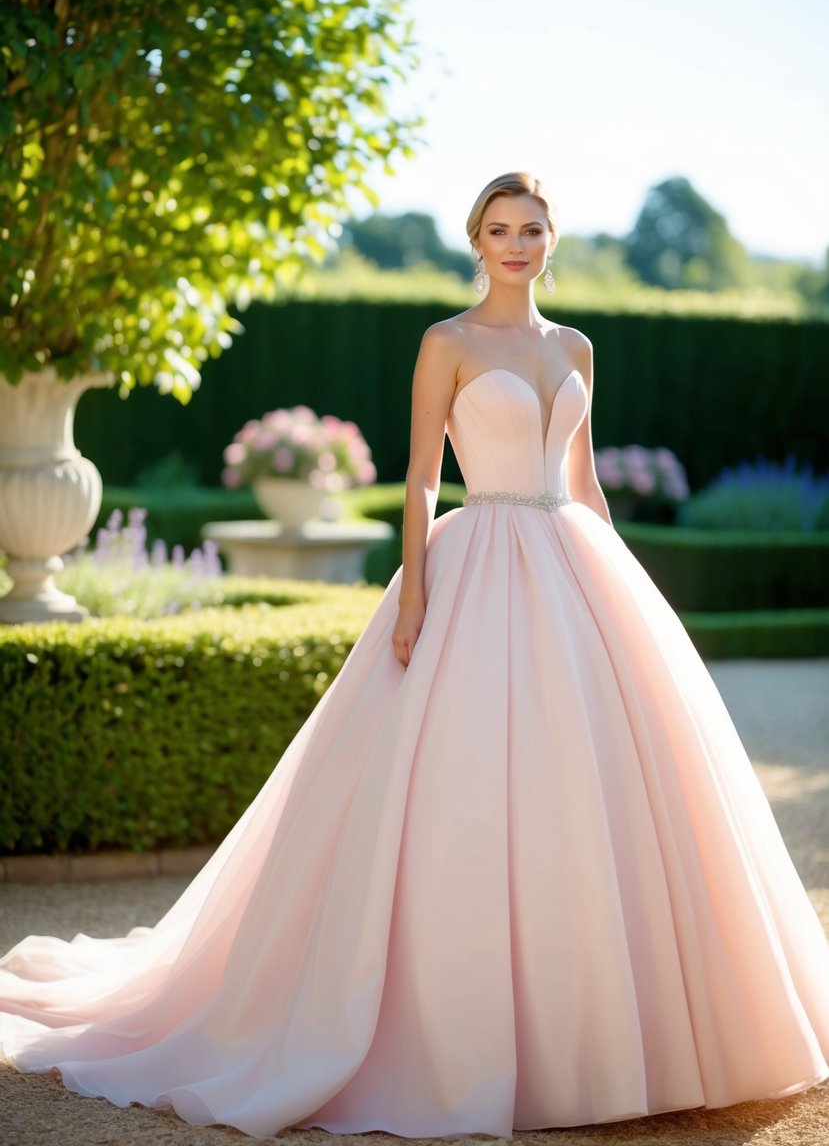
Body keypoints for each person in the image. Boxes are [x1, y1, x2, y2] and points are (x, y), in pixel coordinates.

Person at [1, 172, 828, 1139]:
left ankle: (612, 1031)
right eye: (497, 229)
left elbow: (585, 479)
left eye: (530, 229)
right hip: (476, 555)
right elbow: (420, 480)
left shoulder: (576, 348)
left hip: (575, 562)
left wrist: (629, 590)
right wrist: (416, 594)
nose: (514, 244)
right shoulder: (447, 342)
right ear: (475, 241)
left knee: (597, 784)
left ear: (551, 240)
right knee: (459, 776)